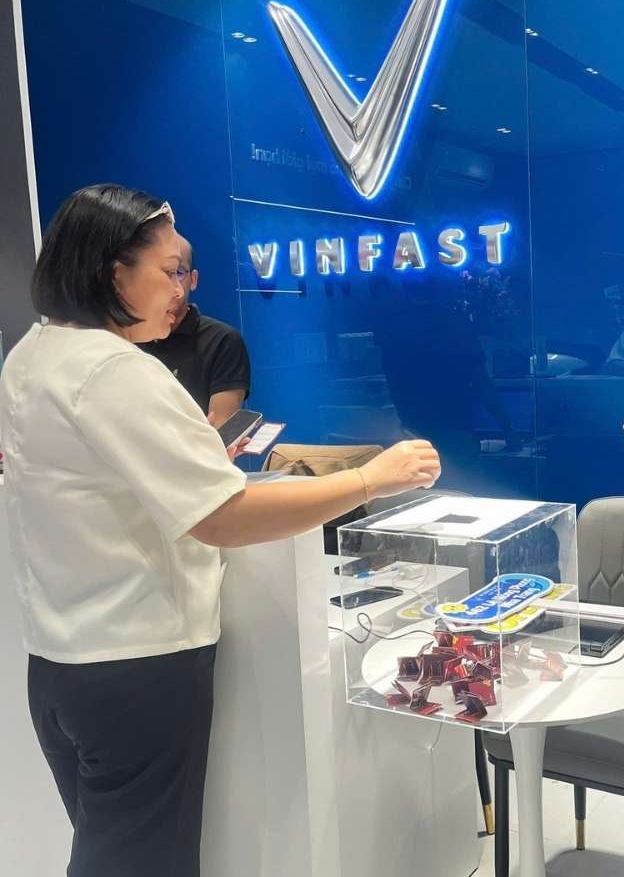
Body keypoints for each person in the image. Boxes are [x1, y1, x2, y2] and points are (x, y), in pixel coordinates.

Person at [0, 184, 440, 877]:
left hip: (60, 664)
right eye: (171, 269)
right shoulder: (115, 370)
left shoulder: (34, 354)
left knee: (110, 849)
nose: (182, 290)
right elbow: (225, 518)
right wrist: (369, 479)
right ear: (114, 273)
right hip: (136, 664)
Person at [137, 239, 250, 427]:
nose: (172, 287)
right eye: (162, 273)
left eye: (178, 273)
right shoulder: (126, 337)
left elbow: (220, 432)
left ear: (193, 279)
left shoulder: (223, 341)